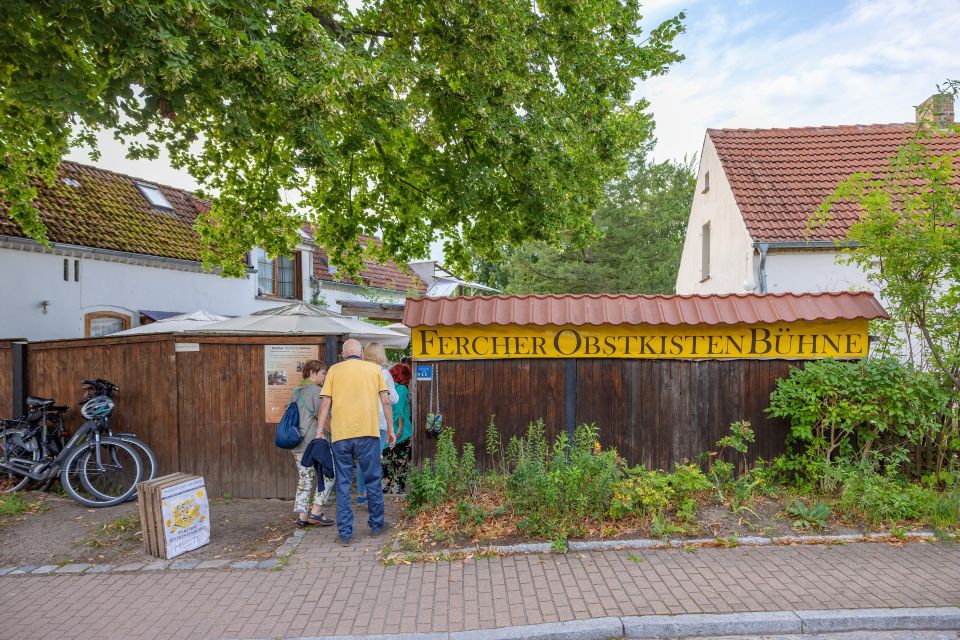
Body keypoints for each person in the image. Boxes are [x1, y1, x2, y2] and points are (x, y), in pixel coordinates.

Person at [318, 339, 395, 545]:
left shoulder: (334, 371)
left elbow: (326, 402)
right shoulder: (374, 369)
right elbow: (386, 400)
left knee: (343, 484)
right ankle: (377, 525)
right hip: (368, 433)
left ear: (343, 355)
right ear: (361, 353)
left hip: (341, 435)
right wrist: (390, 429)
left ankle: (344, 534)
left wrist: (319, 431)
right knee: (372, 479)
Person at [289, 360, 334, 527]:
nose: (324, 377)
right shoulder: (316, 391)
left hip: (298, 443)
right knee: (329, 475)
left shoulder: (296, 390)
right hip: (315, 443)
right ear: (312, 373)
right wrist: (336, 433)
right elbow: (324, 417)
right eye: (323, 373)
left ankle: (302, 516)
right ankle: (315, 512)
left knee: (304, 478)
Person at [355, 341, 399, 504]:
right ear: (380, 354)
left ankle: (361, 493)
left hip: (359, 419)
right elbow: (392, 399)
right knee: (374, 458)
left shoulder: (357, 372)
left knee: (362, 457)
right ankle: (373, 495)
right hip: (378, 420)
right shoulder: (384, 373)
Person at [382, 362, 413, 493]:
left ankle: (385, 488)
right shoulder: (402, 389)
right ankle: (397, 490)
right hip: (401, 434)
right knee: (400, 464)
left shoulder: (386, 389)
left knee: (387, 464)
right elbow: (399, 411)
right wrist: (399, 430)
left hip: (386, 432)